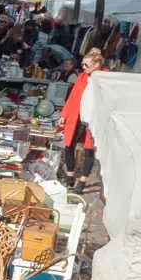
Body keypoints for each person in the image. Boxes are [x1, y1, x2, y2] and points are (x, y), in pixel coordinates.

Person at [59, 48, 106, 193]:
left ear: (96, 64)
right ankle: (70, 175)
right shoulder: (81, 77)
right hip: (77, 115)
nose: (83, 67)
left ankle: (83, 181)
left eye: (86, 65)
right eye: (83, 64)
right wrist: (64, 114)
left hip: (94, 118)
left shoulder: (105, 77)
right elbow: (73, 97)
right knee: (69, 144)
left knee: (89, 149)